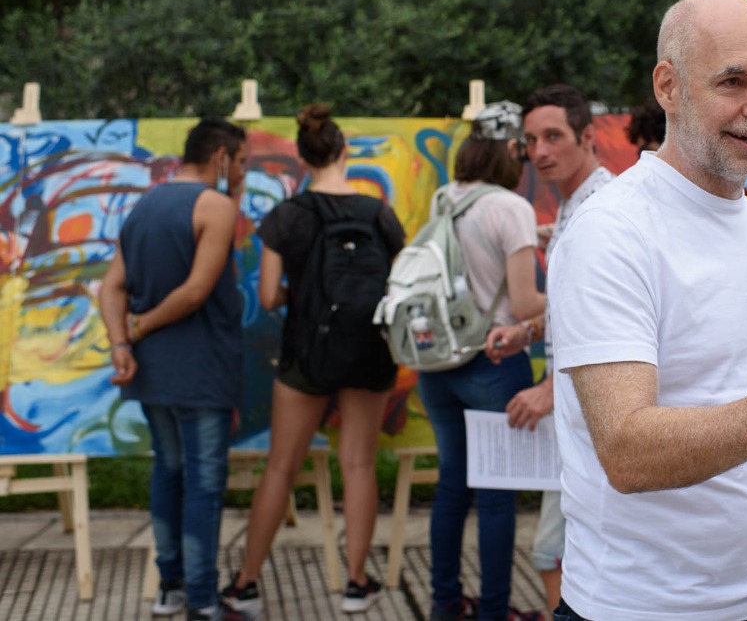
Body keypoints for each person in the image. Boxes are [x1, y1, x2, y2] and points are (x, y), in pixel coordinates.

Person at [547, 0, 747, 621]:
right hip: (643, 607)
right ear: (668, 86)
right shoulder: (611, 231)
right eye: (734, 81)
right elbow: (628, 451)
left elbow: (742, 396)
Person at [220, 104, 406, 617]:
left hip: (307, 351)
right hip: (370, 349)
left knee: (281, 466)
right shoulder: (378, 213)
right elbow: (397, 284)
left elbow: (269, 296)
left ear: (302, 159)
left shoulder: (286, 216)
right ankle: (355, 582)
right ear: (344, 152)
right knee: (360, 465)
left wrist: (303, 292)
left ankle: (247, 584)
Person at [99, 117, 247, 621]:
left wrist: (121, 341)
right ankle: (204, 601)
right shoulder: (216, 207)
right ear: (222, 158)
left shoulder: (145, 204)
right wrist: (136, 330)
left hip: (154, 373)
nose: (241, 171)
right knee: (204, 481)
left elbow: (110, 287)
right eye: (240, 162)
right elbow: (196, 291)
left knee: (168, 469)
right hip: (202, 370)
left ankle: (171, 587)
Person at [484, 84, 614, 617]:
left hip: (595, 409)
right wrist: (530, 330)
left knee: (552, 553)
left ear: (587, 137)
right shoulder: (573, 207)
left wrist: (551, 386)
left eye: (553, 137)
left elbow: (614, 322)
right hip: (580, 413)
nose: (539, 152)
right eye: (531, 140)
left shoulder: (601, 210)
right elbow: (579, 306)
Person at [420, 100, 547, 621]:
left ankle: (445, 604)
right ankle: (495, 610)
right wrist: (573, 294)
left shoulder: (443, 199)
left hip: (441, 362)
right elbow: (523, 305)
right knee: (496, 496)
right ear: (513, 151)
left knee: (453, 485)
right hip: (493, 363)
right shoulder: (512, 208)